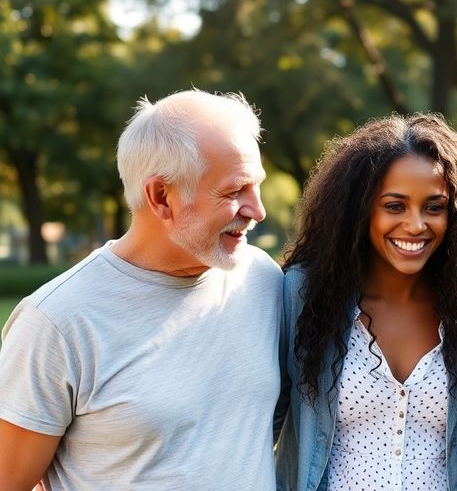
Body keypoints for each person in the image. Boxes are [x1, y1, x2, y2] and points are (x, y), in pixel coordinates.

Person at [0, 89, 282, 490]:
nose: (258, 209)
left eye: (257, 186)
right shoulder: (56, 322)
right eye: (235, 191)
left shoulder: (262, 280)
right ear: (161, 196)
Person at [274, 113, 457, 490]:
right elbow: (259, 428)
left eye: (434, 207)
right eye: (394, 206)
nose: (415, 225)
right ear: (358, 211)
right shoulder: (302, 297)